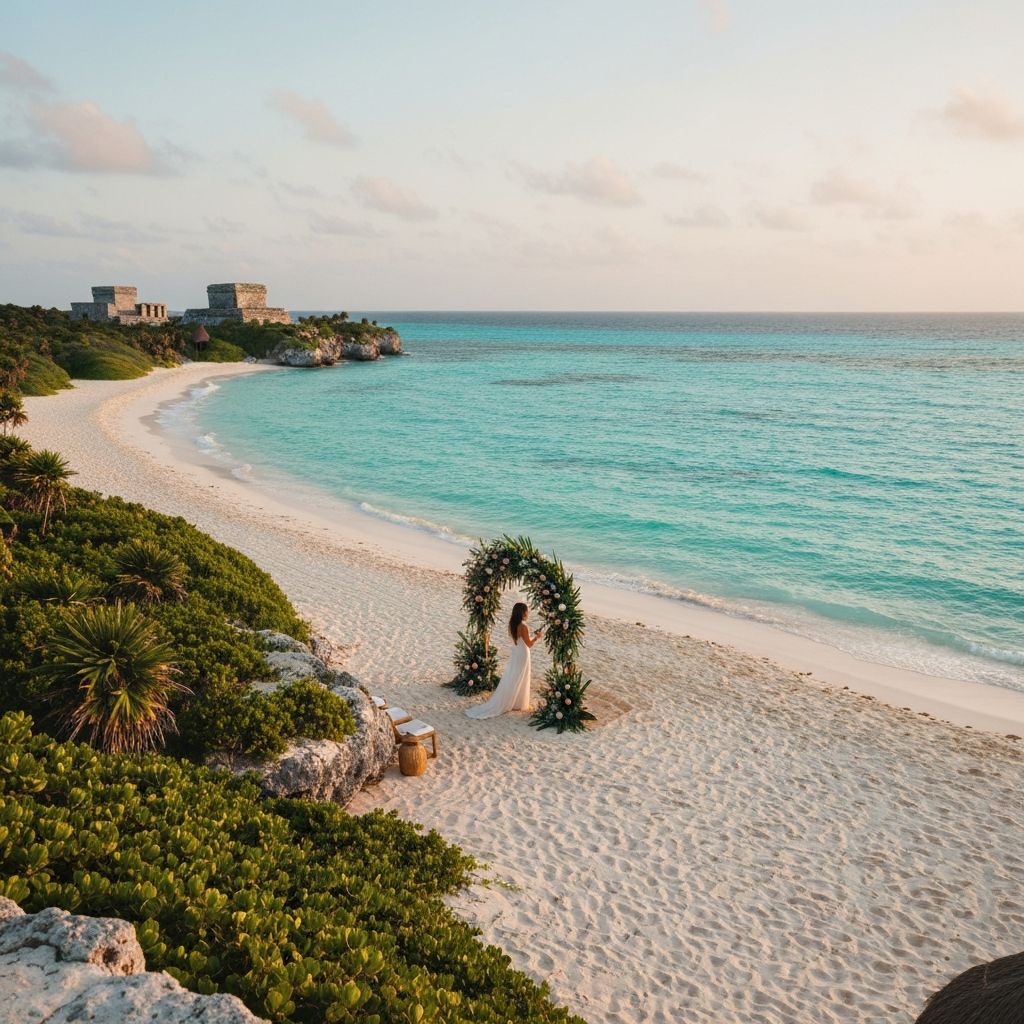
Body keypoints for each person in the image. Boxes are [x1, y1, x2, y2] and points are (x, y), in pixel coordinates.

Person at [465, 602, 542, 719]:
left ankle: (514, 700)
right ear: (523, 612)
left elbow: (520, 640)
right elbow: (529, 644)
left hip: (516, 652)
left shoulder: (512, 624)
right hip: (523, 653)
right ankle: (517, 702)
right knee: (520, 676)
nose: (528, 613)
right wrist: (537, 637)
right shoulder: (523, 626)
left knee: (514, 675)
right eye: (527, 611)